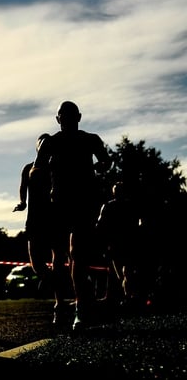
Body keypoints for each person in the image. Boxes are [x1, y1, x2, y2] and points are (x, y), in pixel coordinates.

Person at [32, 100, 111, 331]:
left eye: (70, 115)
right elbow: (36, 168)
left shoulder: (90, 140)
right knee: (59, 257)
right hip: (59, 205)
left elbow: (105, 160)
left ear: (79, 117)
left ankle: (81, 309)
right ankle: (61, 306)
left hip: (84, 204)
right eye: (62, 116)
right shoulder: (51, 143)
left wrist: (100, 167)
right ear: (58, 120)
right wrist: (40, 173)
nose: (66, 119)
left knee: (78, 255)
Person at [13, 133, 73, 325]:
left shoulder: (58, 166)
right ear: (37, 146)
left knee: (58, 259)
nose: (44, 146)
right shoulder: (28, 168)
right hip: (34, 219)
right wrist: (22, 202)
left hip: (55, 219)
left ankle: (60, 304)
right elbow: (23, 188)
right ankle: (54, 282)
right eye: (42, 143)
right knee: (36, 263)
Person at [95, 181, 143, 311]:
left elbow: (100, 225)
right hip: (119, 243)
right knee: (121, 271)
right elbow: (101, 225)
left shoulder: (114, 206)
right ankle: (127, 295)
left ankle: (128, 296)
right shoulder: (122, 206)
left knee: (123, 271)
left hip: (123, 242)